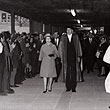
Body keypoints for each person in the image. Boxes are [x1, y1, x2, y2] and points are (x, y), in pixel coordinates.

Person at [58, 27, 82, 92]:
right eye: (67, 30)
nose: (68, 31)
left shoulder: (76, 37)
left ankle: (74, 87)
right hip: (66, 58)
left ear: (72, 30)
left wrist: (79, 56)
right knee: (67, 72)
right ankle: (68, 87)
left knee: (74, 72)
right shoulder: (63, 37)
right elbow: (60, 48)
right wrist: (61, 57)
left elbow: (79, 47)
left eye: (69, 30)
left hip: (74, 58)